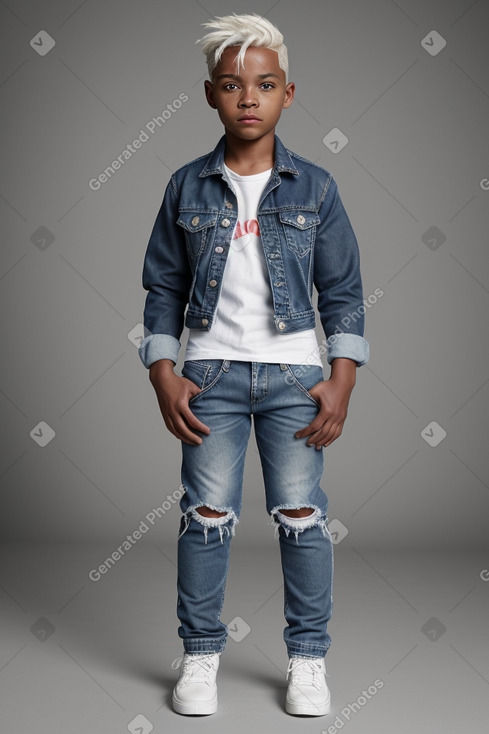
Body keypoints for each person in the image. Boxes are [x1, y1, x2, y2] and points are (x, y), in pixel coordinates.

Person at [138, 12, 369, 717]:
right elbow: (163, 289)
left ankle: (307, 661)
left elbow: (345, 294)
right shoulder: (185, 186)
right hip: (209, 378)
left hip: (296, 381)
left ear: (286, 94)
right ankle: (200, 656)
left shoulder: (317, 188)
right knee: (205, 519)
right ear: (210, 94)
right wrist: (162, 371)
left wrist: (340, 381)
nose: (248, 97)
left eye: (264, 84)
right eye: (233, 85)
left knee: (301, 519)